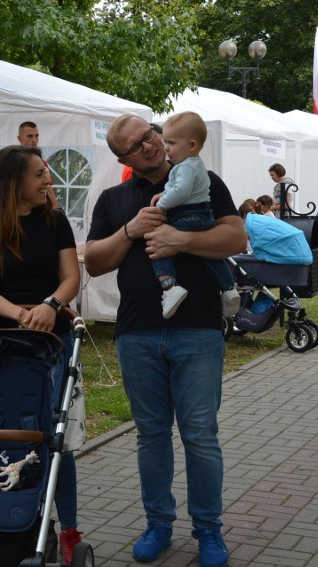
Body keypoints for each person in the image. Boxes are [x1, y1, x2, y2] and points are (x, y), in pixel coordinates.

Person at [85, 113, 246, 567]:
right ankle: (158, 524)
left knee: (200, 435)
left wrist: (183, 239)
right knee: (151, 435)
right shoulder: (115, 199)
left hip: (197, 329)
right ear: (124, 159)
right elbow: (94, 262)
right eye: (135, 146)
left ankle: (209, 531)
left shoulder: (204, 180)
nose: (149, 146)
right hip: (137, 333)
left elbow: (236, 237)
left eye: (150, 135)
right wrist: (130, 230)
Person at [0, 145, 83, 564]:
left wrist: (49, 305)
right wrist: (18, 313)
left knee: (54, 434)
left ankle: (67, 528)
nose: (48, 179)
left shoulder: (55, 221)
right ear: (13, 182)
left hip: (53, 343)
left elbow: (71, 278)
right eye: (38, 174)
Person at [151, 111, 236, 319]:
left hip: (187, 215)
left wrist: (161, 205)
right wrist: (164, 192)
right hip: (203, 214)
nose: (166, 148)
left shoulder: (186, 167)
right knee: (208, 253)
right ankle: (228, 288)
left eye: (170, 143)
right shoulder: (194, 165)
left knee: (160, 245)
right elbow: (179, 187)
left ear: (191, 145)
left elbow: (181, 191)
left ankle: (169, 287)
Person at [17, 120, 58, 208]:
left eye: (36, 136)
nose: (34, 140)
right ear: (19, 138)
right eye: (30, 136)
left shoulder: (42, 163)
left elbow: (49, 191)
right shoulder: (12, 162)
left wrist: (56, 214)